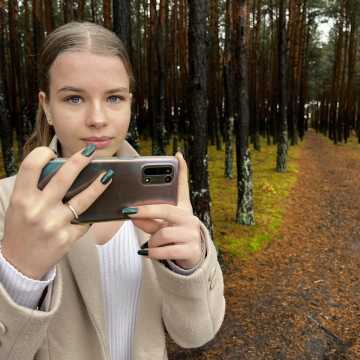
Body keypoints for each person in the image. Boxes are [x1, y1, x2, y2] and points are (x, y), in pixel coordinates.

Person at [0, 22, 225, 360]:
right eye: (74, 98)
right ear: (46, 106)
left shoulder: (160, 198)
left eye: (114, 98)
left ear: (130, 104)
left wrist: (190, 267)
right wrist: (18, 276)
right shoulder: (7, 204)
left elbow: (195, 336)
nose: (97, 118)